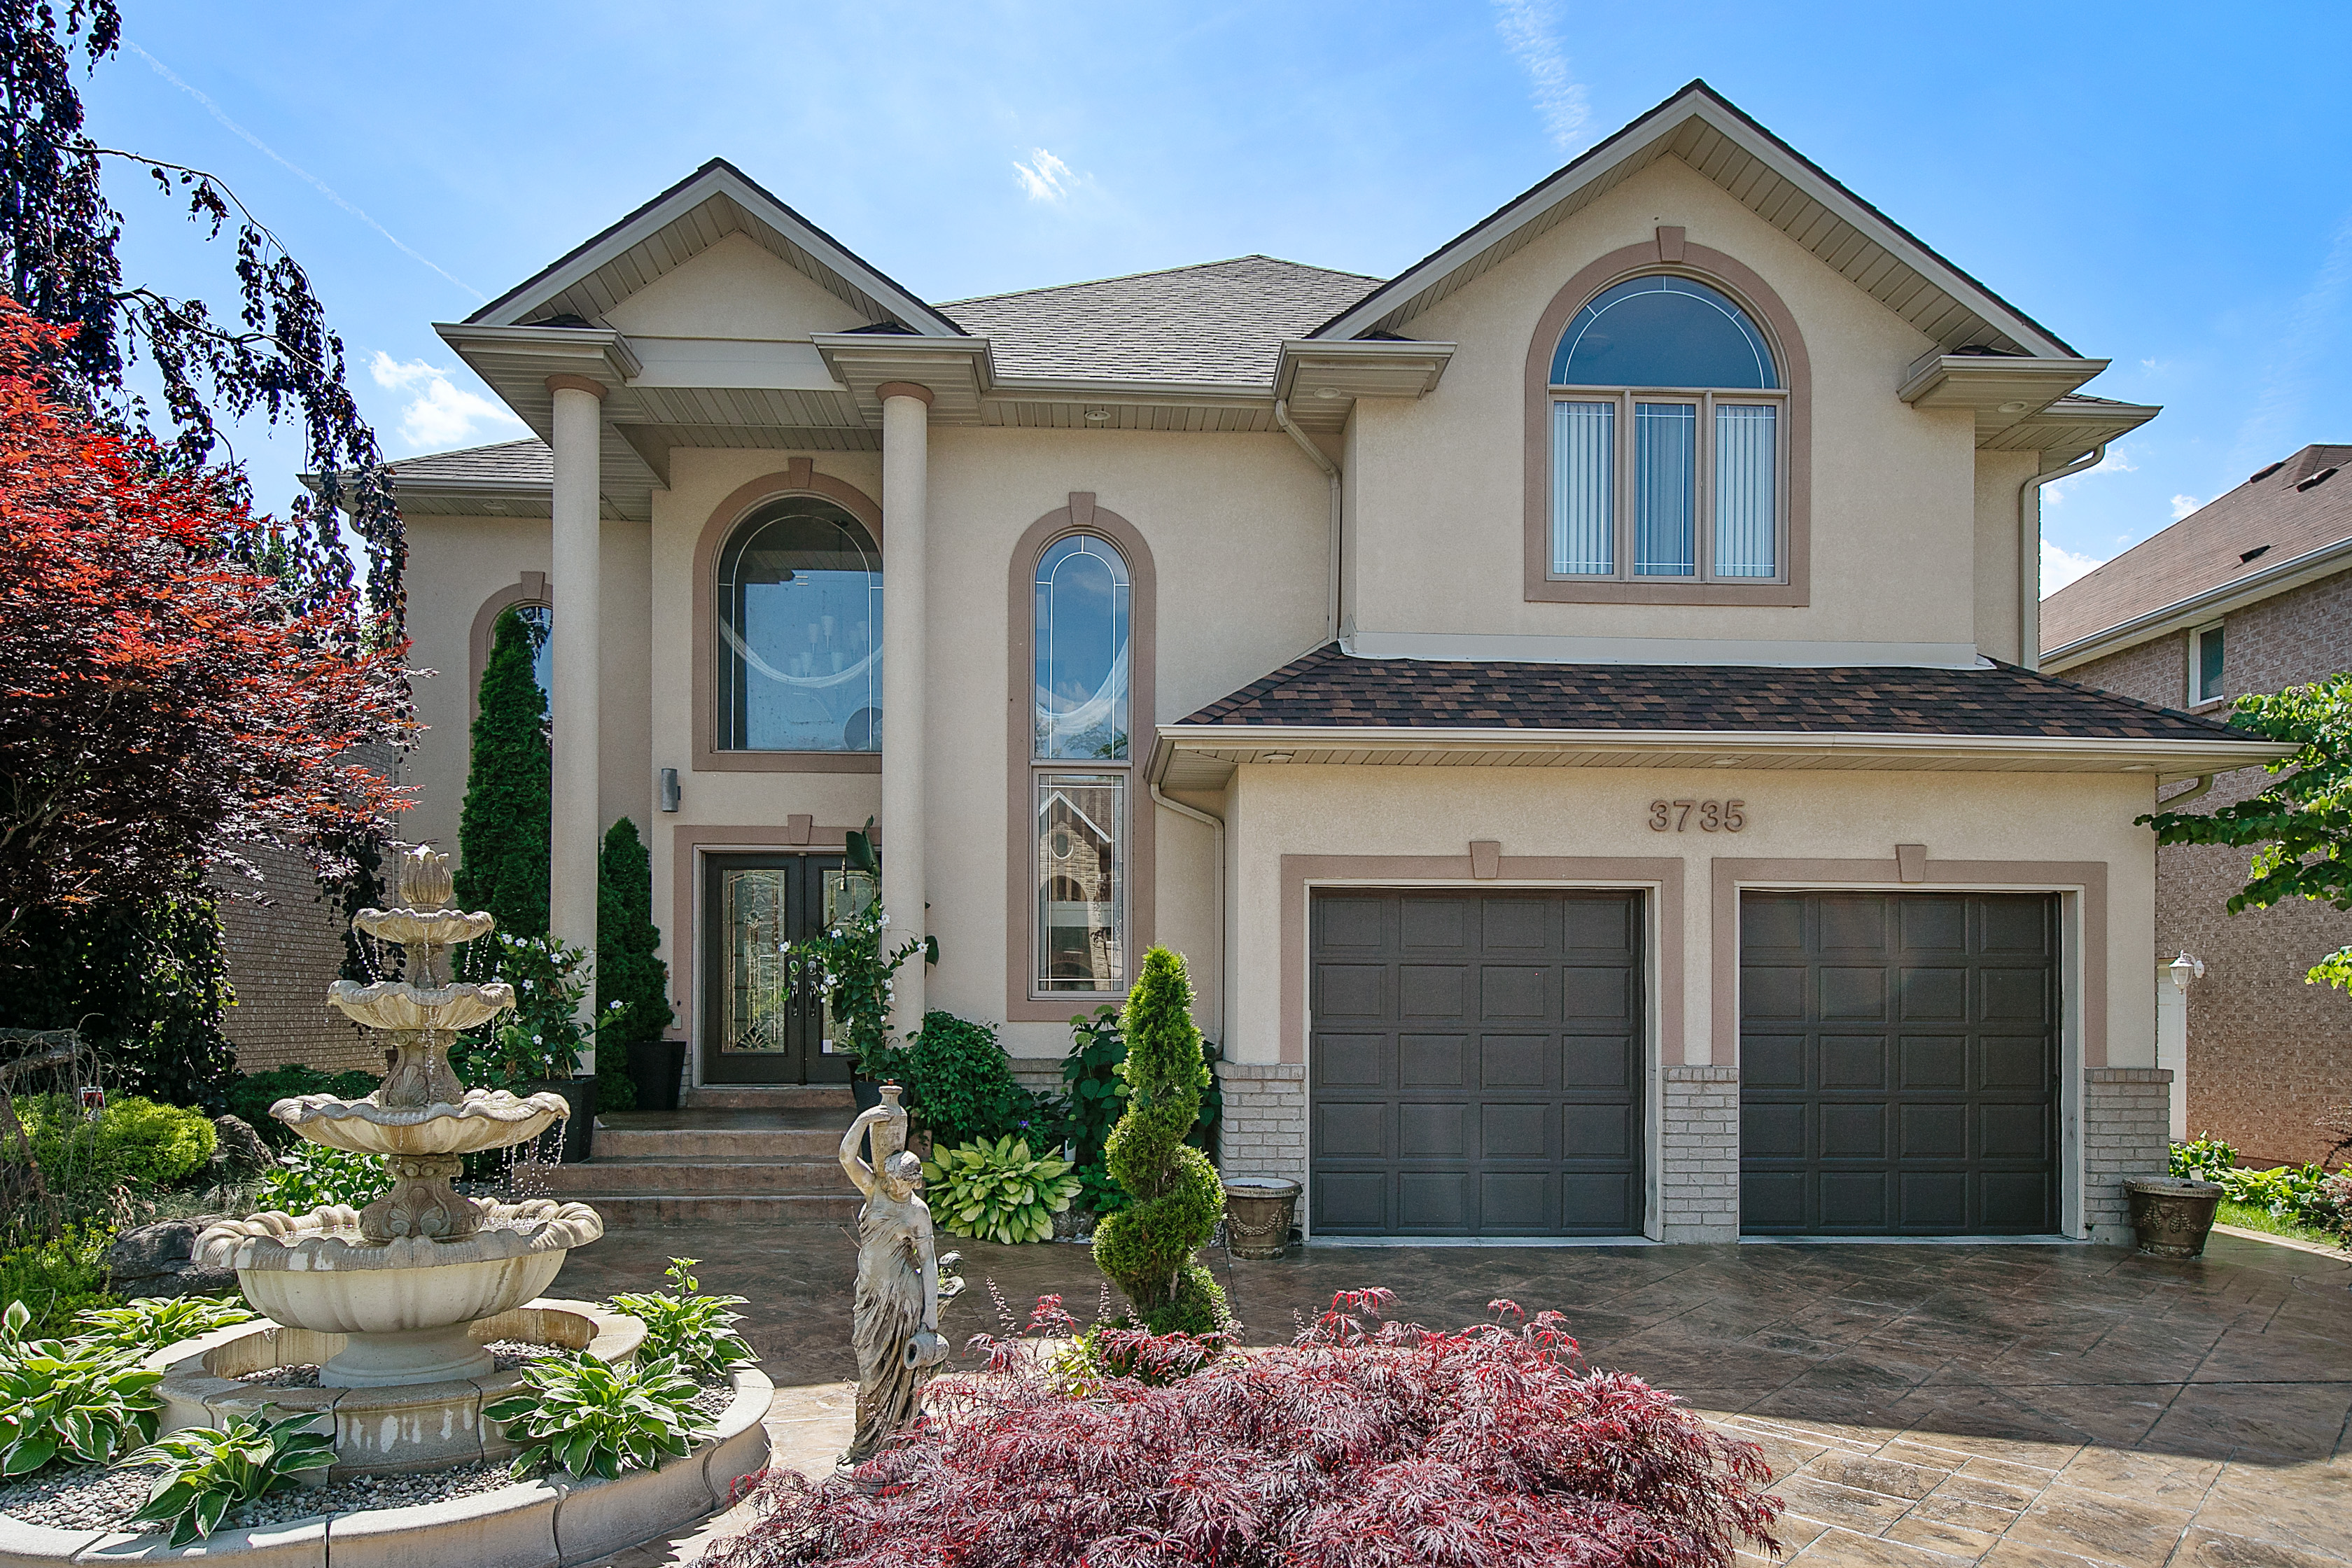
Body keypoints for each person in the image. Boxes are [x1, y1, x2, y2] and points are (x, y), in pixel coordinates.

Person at [837, 1085, 949, 1463]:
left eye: (908, 1183)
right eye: (897, 1181)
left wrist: (930, 1321)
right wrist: (866, 1119)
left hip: (903, 1297)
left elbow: (929, 1263)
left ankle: (897, 1439)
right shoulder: (875, 1191)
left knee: (902, 1370)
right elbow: (846, 1156)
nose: (900, 1188)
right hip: (870, 1294)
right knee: (869, 1364)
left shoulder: (917, 1211)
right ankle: (869, 1439)